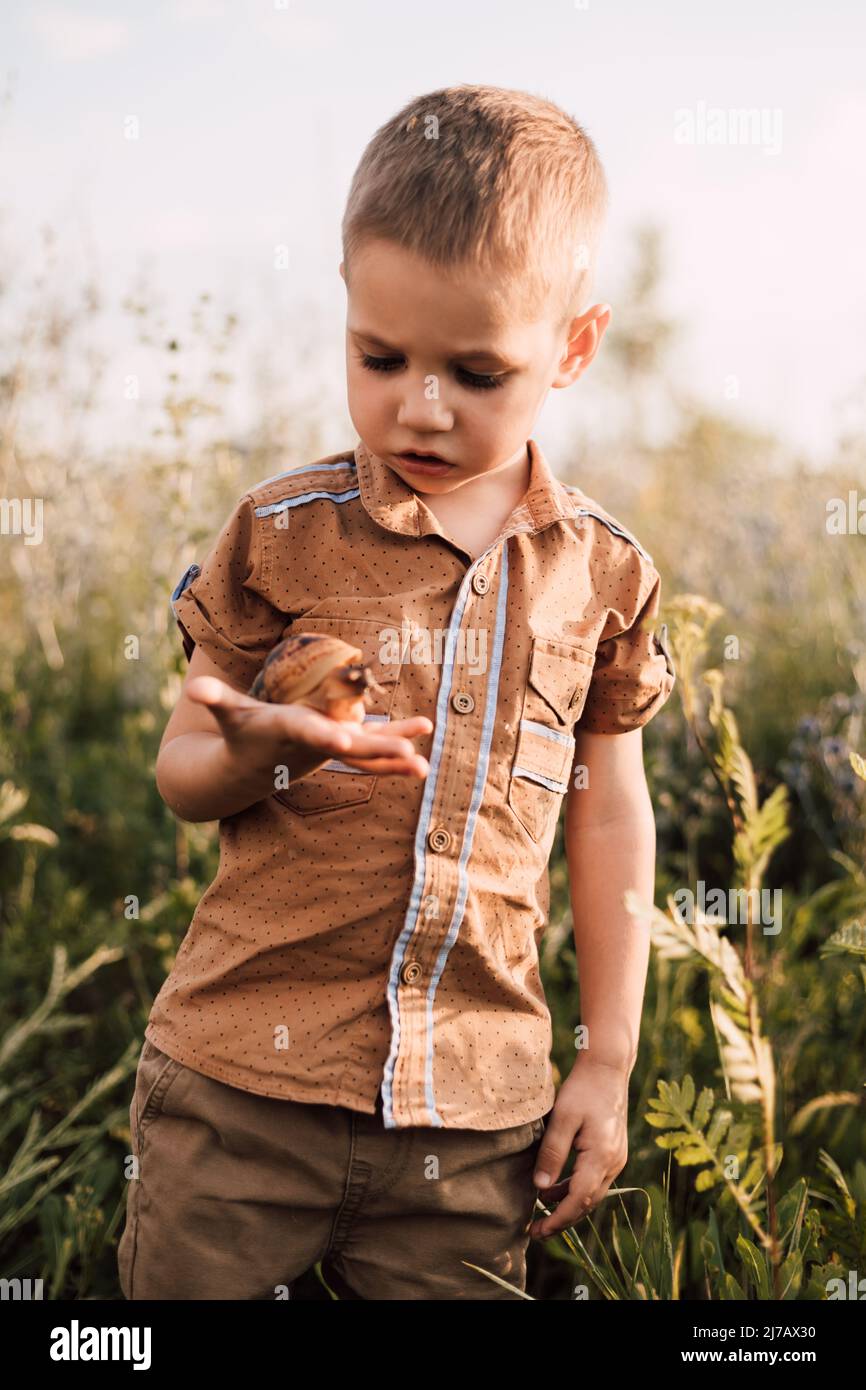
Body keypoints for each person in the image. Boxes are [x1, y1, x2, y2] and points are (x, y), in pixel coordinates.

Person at [118, 83, 676, 1302]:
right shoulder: (280, 533)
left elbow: (607, 815)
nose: (418, 406)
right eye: (381, 358)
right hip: (238, 1095)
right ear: (347, 312)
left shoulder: (603, 575)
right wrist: (269, 751)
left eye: (475, 371)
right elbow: (182, 771)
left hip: (473, 1117)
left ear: (573, 347)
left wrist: (608, 1059)